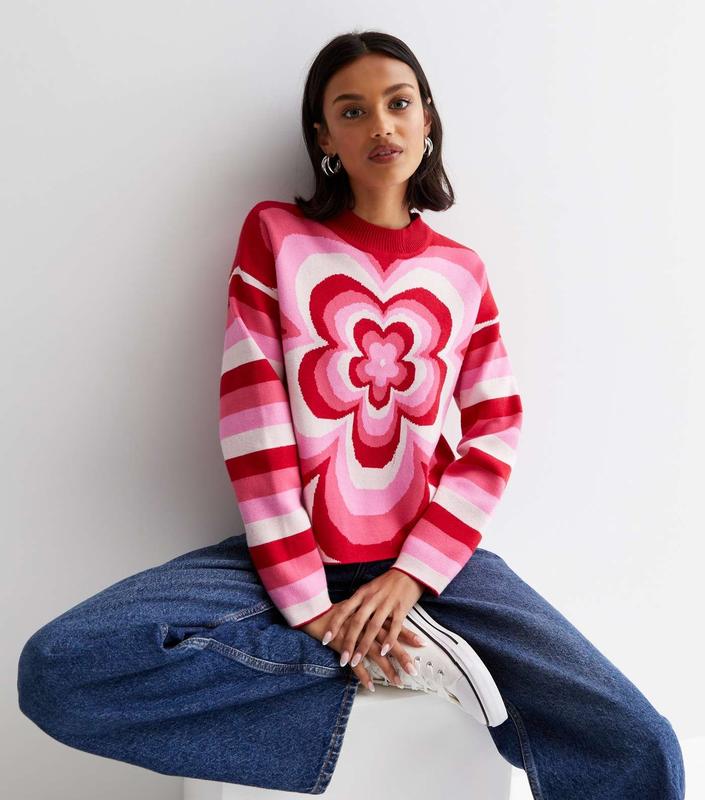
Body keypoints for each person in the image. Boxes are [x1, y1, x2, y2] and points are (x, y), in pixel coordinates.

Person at [17, 30, 685, 799]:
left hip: (430, 572)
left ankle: (416, 637)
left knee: (638, 743)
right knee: (59, 668)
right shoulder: (277, 237)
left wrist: (412, 576)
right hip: (286, 559)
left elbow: (494, 426)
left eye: (398, 104)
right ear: (324, 137)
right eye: (352, 110)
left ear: (426, 119)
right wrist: (308, 607)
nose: (381, 125)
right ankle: (373, 666)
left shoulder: (461, 273)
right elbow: (253, 420)